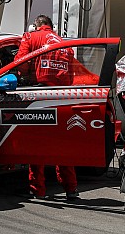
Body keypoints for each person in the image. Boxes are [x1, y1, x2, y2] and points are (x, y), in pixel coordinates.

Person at [14, 15, 78, 200]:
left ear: (37, 25)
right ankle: (71, 188)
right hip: (63, 98)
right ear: (51, 26)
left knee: (38, 145)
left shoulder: (30, 37)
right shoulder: (64, 44)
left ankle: (37, 189)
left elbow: (21, 63)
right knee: (62, 147)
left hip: (39, 96)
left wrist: (24, 77)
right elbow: (71, 75)